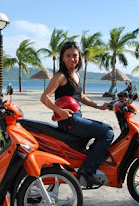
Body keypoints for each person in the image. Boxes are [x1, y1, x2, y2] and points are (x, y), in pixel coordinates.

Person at [40, 41, 114, 186]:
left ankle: (89, 161)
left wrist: (98, 106)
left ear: (79, 58)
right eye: (68, 56)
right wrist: (60, 111)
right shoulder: (60, 76)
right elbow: (44, 97)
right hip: (69, 121)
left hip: (76, 118)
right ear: (62, 58)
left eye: (75, 56)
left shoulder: (75, 75)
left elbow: (80, 96)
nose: (72, 59)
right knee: (107, 132)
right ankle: (87, 170)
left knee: (103, 132)